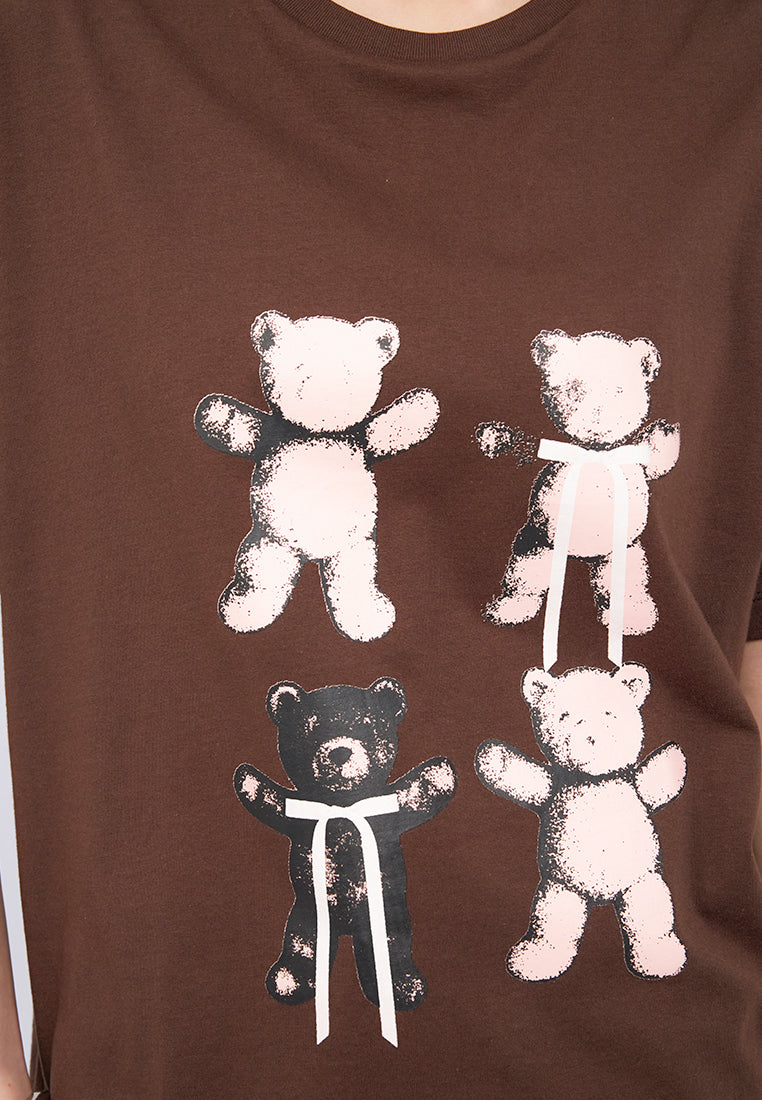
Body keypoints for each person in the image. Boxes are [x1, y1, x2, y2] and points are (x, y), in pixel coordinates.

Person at [1, 0, 760, 1096]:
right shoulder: (52, 57)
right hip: (179, 1063)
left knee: (371, 569)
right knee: (283, 557)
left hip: (660, 1059)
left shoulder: (730, 62)